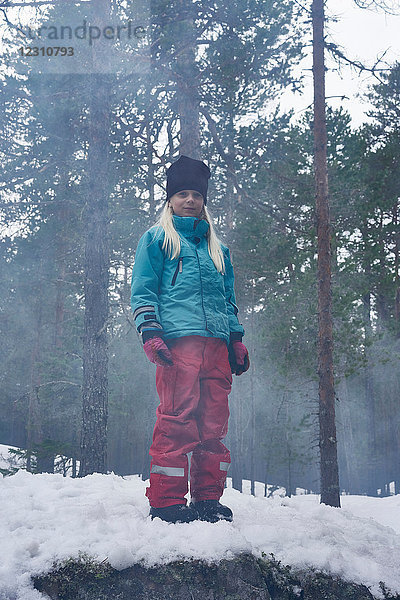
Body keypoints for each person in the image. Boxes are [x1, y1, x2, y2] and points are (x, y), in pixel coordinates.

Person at [130, 155, 249, 524]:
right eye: (182, 193)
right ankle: (166, 502)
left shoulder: (218, 250)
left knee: (213, 425)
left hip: (215, 348)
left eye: (196, 194)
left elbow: (228, 301)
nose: (189, 200)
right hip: (179, 346)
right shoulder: (157, 239)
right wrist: (150, 331)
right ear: (170, 199)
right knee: (177, 419)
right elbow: (143, 291)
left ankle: (207, 500)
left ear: (203, 201)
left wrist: (235, 339)